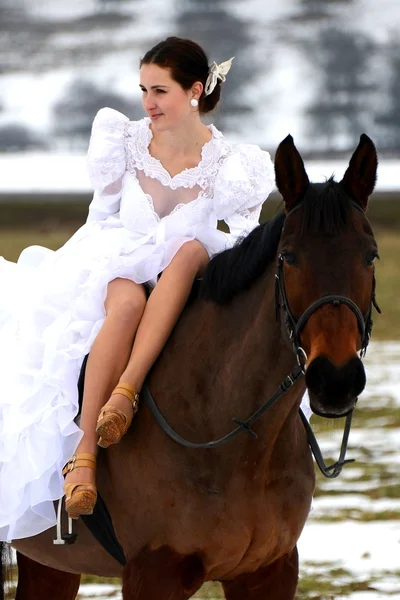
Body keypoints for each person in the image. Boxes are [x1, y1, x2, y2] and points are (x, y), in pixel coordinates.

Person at [0, 36, 274, 542]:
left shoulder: (235, 164)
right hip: (117, 259)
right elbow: (101, 217)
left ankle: (125, 392)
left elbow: (240, 238)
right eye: (143, 89)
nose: (148, 102)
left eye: (161, 90)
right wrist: (82, 265)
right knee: (125, 300)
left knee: (190, 250)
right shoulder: (121, 140)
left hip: (187, 274)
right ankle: (83, 458)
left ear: (195, 91)